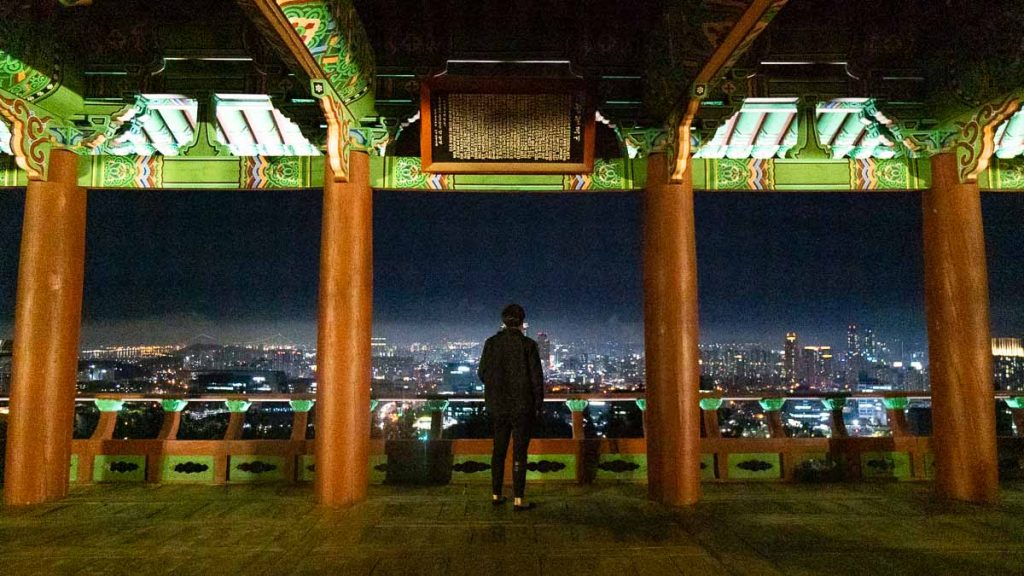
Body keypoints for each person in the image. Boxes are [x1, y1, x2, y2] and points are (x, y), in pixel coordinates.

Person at [477, 303, 544, 511]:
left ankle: (496, 494)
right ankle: (518, 498)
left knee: (498, 450)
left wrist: (496, 386)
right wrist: (538, 406)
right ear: (522, 322)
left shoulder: (491, 343)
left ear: (503, 321)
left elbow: (481, 373)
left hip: (497, 405)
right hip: (522, 406)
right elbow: (536, 380)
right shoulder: (528, 345)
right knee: (519, 452)